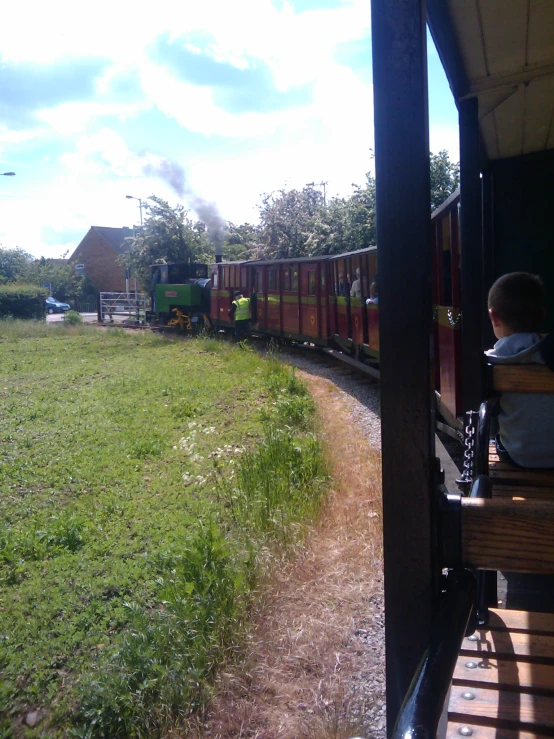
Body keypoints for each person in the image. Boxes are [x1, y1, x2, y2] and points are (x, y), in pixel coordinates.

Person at [485, 272, 554, 468]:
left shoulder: (493, 361)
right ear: (542, 317)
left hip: (517, 457)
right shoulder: (548, 352)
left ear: (494, 317)